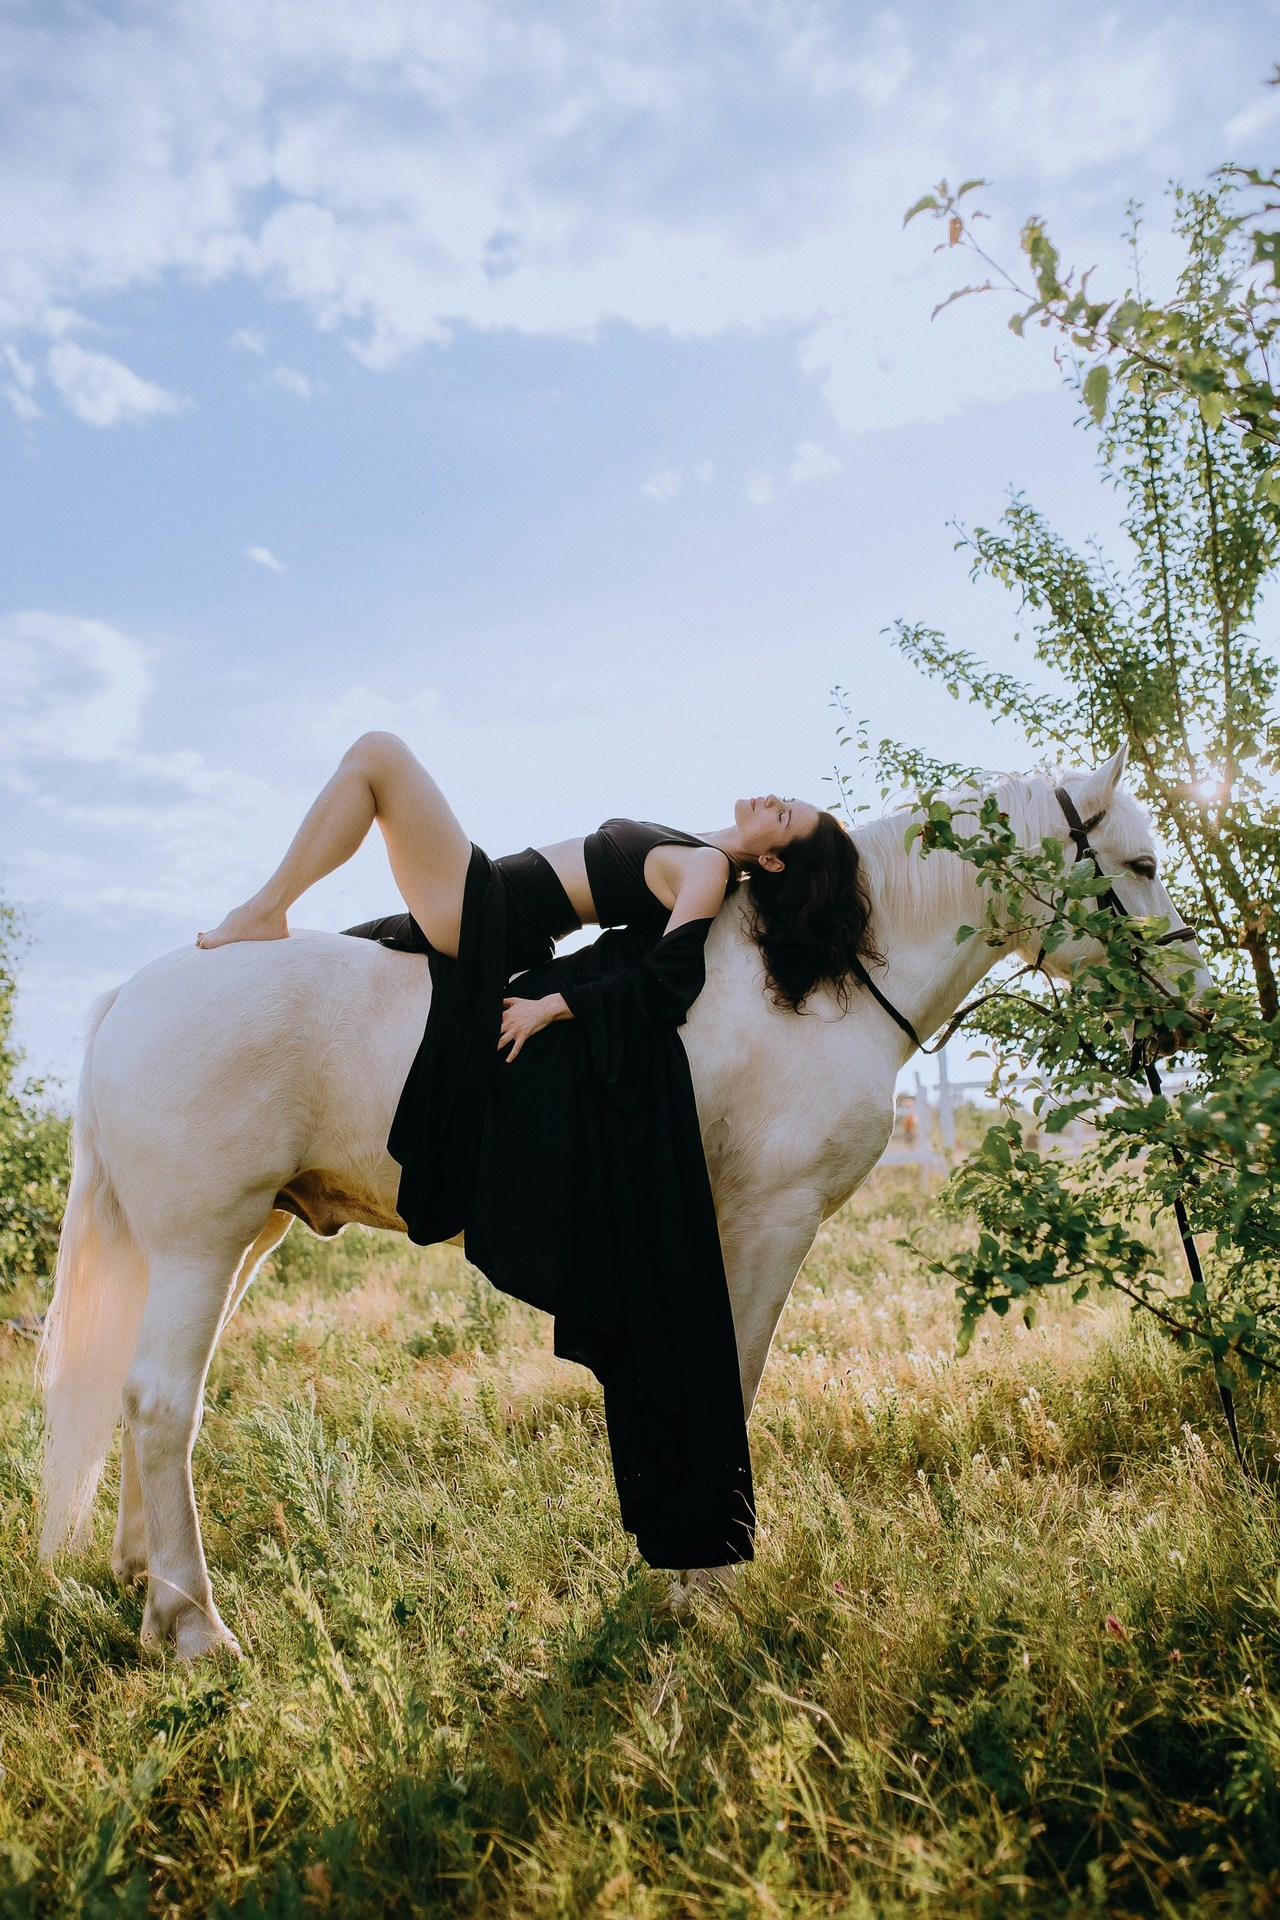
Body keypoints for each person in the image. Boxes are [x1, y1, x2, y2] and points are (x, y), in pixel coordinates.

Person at [197, 732, 877, 1572]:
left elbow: (670, 979)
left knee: (377, 755)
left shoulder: (707, 872)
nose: (771, 799)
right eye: (782, 799)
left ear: (774, 864)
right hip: (493, 914)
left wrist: (555, 1007)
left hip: (488, 912)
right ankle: (273, 918)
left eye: (785, 815)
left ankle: (267, 908)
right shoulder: (712, 855)